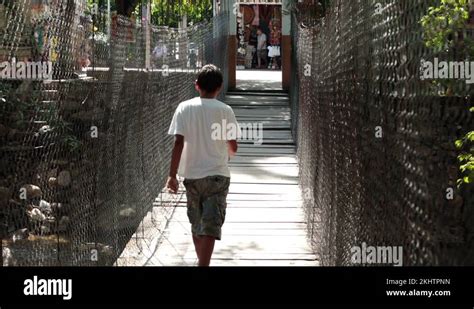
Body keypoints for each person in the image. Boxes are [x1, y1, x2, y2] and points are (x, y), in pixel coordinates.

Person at [166, 64, 239, 267]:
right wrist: (228, 150)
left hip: (192, 176)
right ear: (220, 87)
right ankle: (203, 264)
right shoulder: (225, 110)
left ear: (197, 85)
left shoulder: (184, 108)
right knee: (211, 225)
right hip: (218, 175)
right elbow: (233, 146)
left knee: (197, 223)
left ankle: (202, 263)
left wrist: (172, 175)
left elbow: (178, 143)